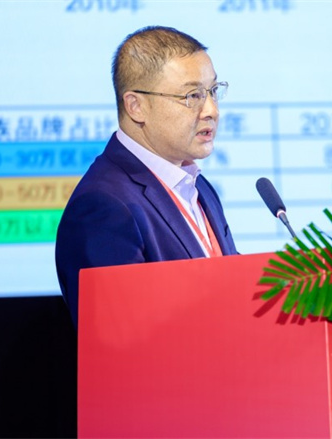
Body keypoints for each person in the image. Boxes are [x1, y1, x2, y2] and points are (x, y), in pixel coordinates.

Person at [55, 26, 238, 328]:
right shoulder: (104, 207)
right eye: (192, 95)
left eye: (213, 92)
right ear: (136, 106)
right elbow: (121, 338)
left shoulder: (196, 185)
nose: (212, 110)